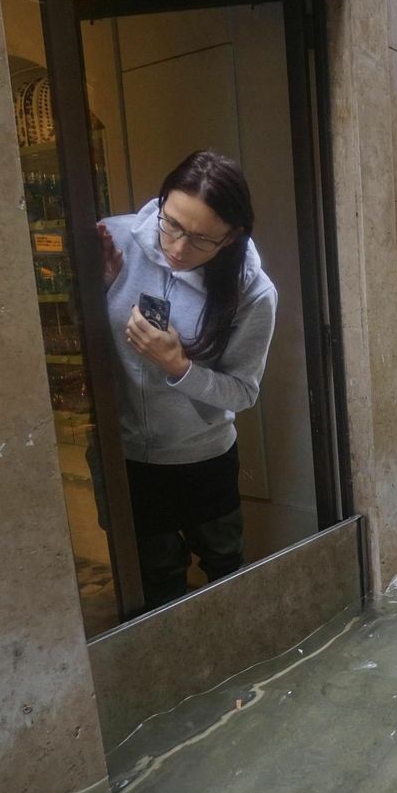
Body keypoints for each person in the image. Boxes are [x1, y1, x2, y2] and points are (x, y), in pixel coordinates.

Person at [95, 151, 277, 609]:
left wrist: (180, 367)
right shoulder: (113, 239)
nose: (177, 248)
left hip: (203, 458)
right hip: (127, 456)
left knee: (224, 569)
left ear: (231, 237)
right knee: (155, 581)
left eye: (200, 239)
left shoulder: (252, 292)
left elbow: (244, 390)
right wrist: (98, 292)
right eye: (171, 223)